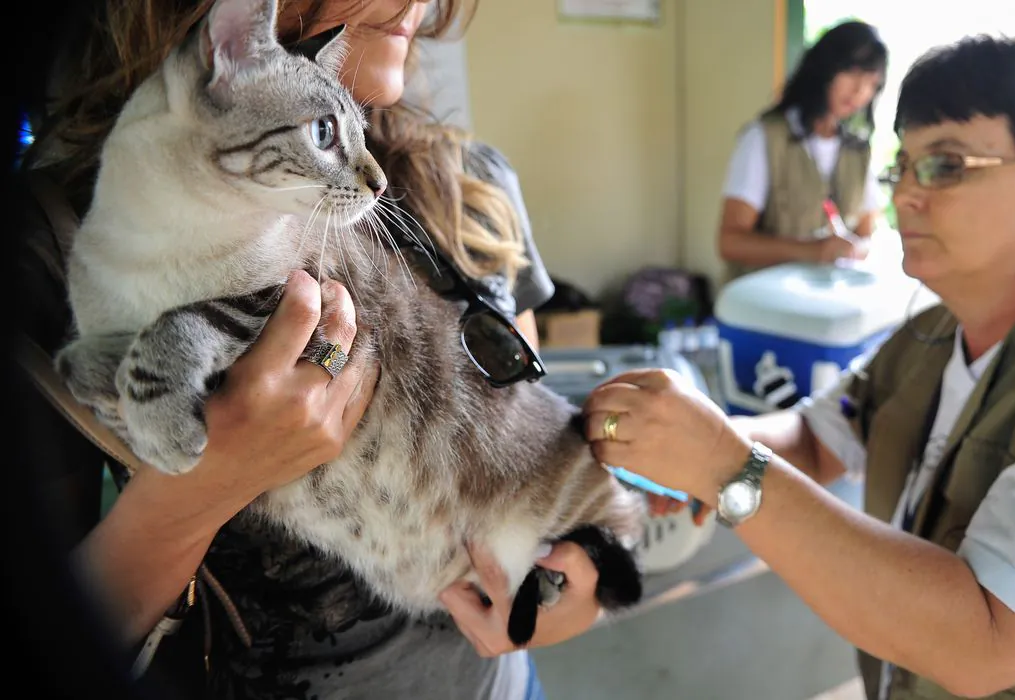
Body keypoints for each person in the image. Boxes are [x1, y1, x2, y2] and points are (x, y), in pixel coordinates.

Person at [14, 0, 603, 697]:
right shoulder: (54, 252)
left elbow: (524, 442)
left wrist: (577, 585)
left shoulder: (473, 183)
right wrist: (203, 491)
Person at [584, 34, 1015, 699]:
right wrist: (677, 443)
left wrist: (723, 466)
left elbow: (981, 640)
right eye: (904, 166)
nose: (905, 197)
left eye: (946, 165)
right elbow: (814, 439)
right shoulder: (928, 336)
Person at [718, 20, 889, 280]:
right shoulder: (765, 137)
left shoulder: (858, 150)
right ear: (825, 68)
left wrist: (853, 248)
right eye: (853, 73)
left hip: (828, 304)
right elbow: (730, 242)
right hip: (762, 304)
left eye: (872, 84)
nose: (860, 91)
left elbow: (867, 234)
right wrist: (812, 250)